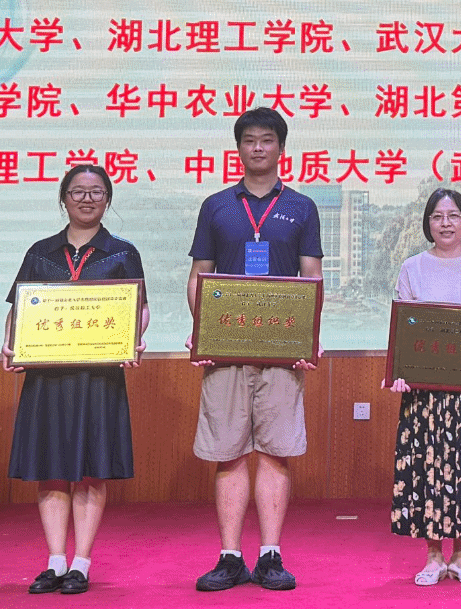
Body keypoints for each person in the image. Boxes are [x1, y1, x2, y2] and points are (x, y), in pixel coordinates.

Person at [189, 108, 323, 593]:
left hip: (282, 350)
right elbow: (199, 276)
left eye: (267, 139)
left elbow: (312, 277)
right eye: (250, 140)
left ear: (281, 148)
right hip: (225, 348)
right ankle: (229, 556)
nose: (258, 147)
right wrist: (201, 331)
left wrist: (309, 337)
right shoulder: (217, 206)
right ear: (239, 148)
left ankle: (270, 555)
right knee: (228, 453)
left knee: (275, 451)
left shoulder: (302, 207)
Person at [1, 164, 148, 596]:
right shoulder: (40, 252)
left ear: (108, 199)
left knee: (90, 470)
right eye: (78, 191)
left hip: (99, 378)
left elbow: (139, 308)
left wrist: (132, 340)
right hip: (48, 377)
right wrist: (11, 344)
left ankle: (81, 562)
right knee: (51, 469)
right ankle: (55, 561)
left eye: (96, 192)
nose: (87, 199)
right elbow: (20, 306)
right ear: (63, 198)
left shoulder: (123, 253)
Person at [387, 188, 461, 585]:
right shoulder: (412, 267)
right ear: (428, 223)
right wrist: (399, 372)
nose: (445, 223)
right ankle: (433, 556)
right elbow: (405, 332)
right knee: (428, 472)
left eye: (453, 215)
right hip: (424, 395)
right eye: (437, 216)